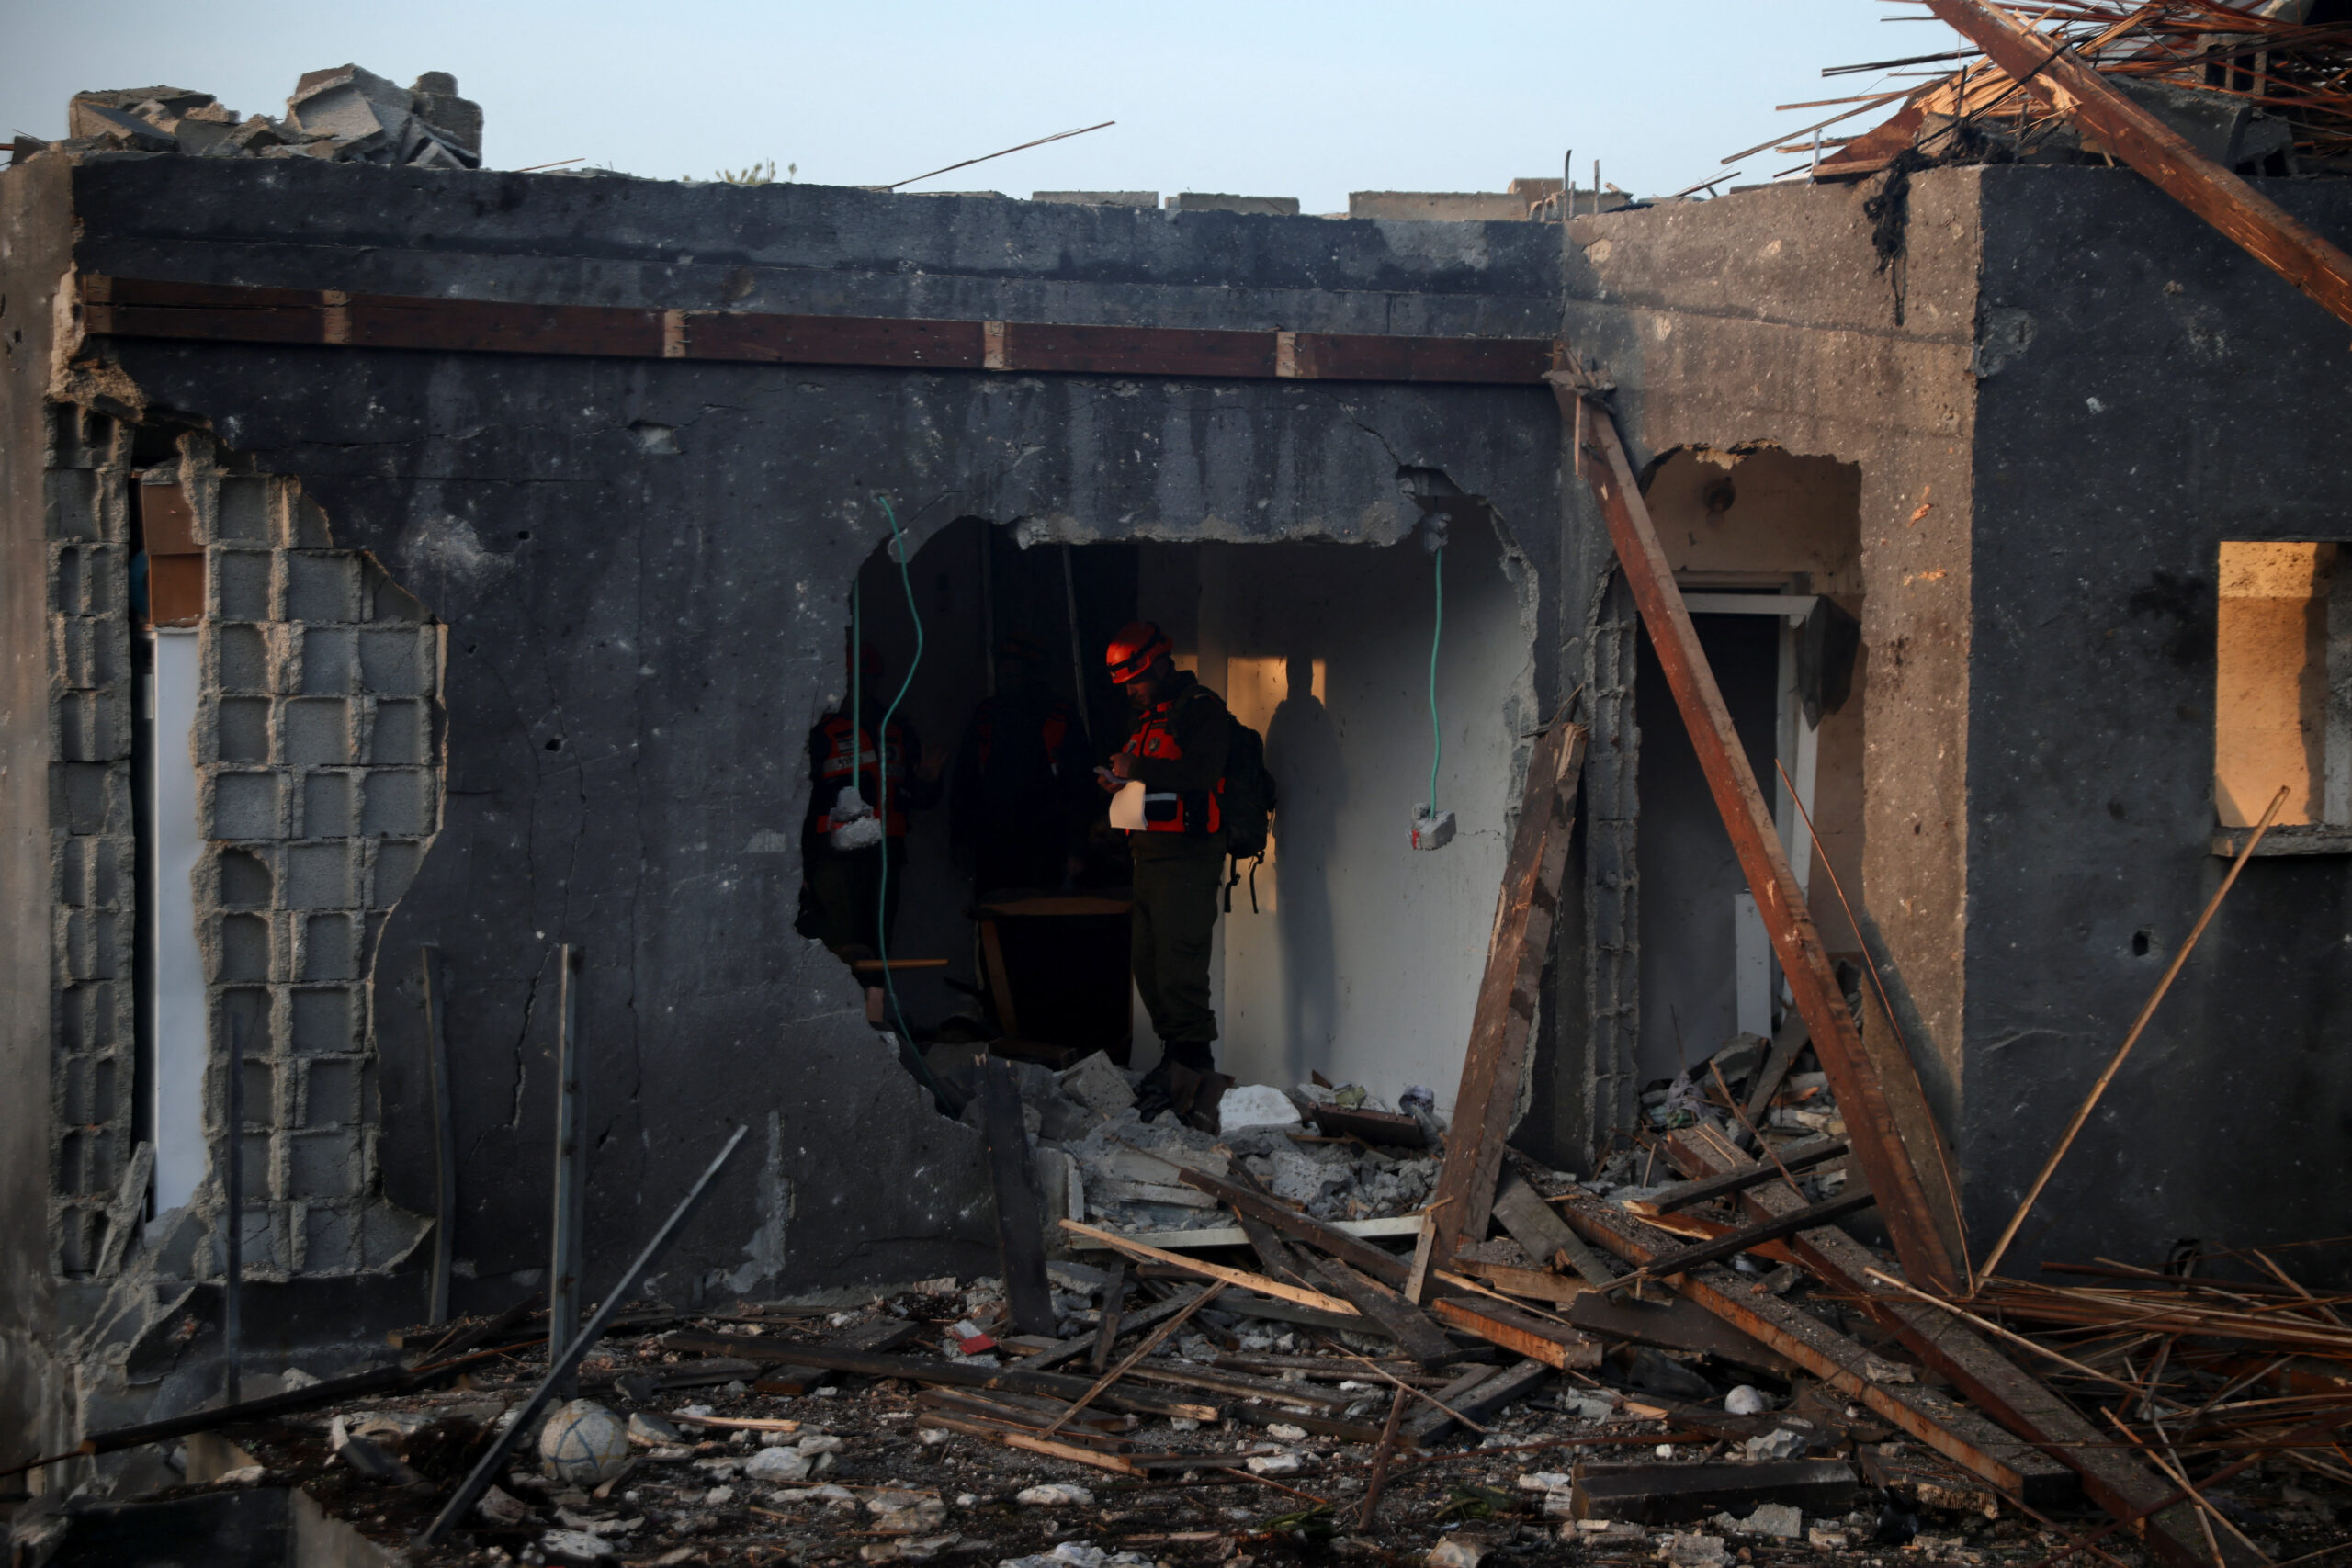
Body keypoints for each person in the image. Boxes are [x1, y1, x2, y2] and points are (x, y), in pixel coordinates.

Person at [1099, 620, 1230, 1113]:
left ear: (1158, 663)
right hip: (1149, 858)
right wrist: (1120, 781)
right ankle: (1174, 1059)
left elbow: (1201, 773)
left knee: (1181, 964)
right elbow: (1152, 779)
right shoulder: (1149, 718)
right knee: (1149, 966)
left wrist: (1138, 769)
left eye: (1135, 679)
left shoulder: (1201, 711)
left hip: (1187, 860)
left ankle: (1192, 1067)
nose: (1130, 690)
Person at [797, 643, 942, 954]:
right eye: (851, 679)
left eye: (867, 678)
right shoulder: (821, 731)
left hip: (884, 857)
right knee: (841, 946)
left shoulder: (898, 729)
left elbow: (916, 798)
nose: (859, 687)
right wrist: (805, 865)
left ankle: (873, 1003)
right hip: (835, 857)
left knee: (877, 949)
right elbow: (800, 803)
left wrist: (928, 783)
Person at [949, 635, 1094, 900]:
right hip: (994, 843)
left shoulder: (1059, 716)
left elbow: (1080, 785)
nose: (1009, 676)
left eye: (1016, 670)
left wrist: (1076, 848)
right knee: (995, 918)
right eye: (1006, 669)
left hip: (1045, 844)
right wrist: (961, 841)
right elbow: (966, 782)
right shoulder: (987, 716)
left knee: (1039, 923)